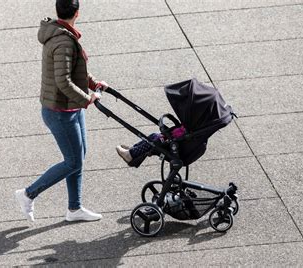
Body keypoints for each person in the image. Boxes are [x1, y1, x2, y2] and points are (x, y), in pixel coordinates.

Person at [15, 0, 108, 222]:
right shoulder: (64, 41)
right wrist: (88, 99)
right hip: (60, 111)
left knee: (77, 158)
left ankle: (74, 209)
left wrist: (94, 84)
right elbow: (63, 81)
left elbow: (74, 71)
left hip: (69, 108)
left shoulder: (62, 34)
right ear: (77, 12)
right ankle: (28, 194)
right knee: (73, 161)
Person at [116, 125, 186, 165]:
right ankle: (133, 149)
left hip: (176, 141)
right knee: (154, 136)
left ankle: (131, 154)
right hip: (178, 137)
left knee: (154, 142)